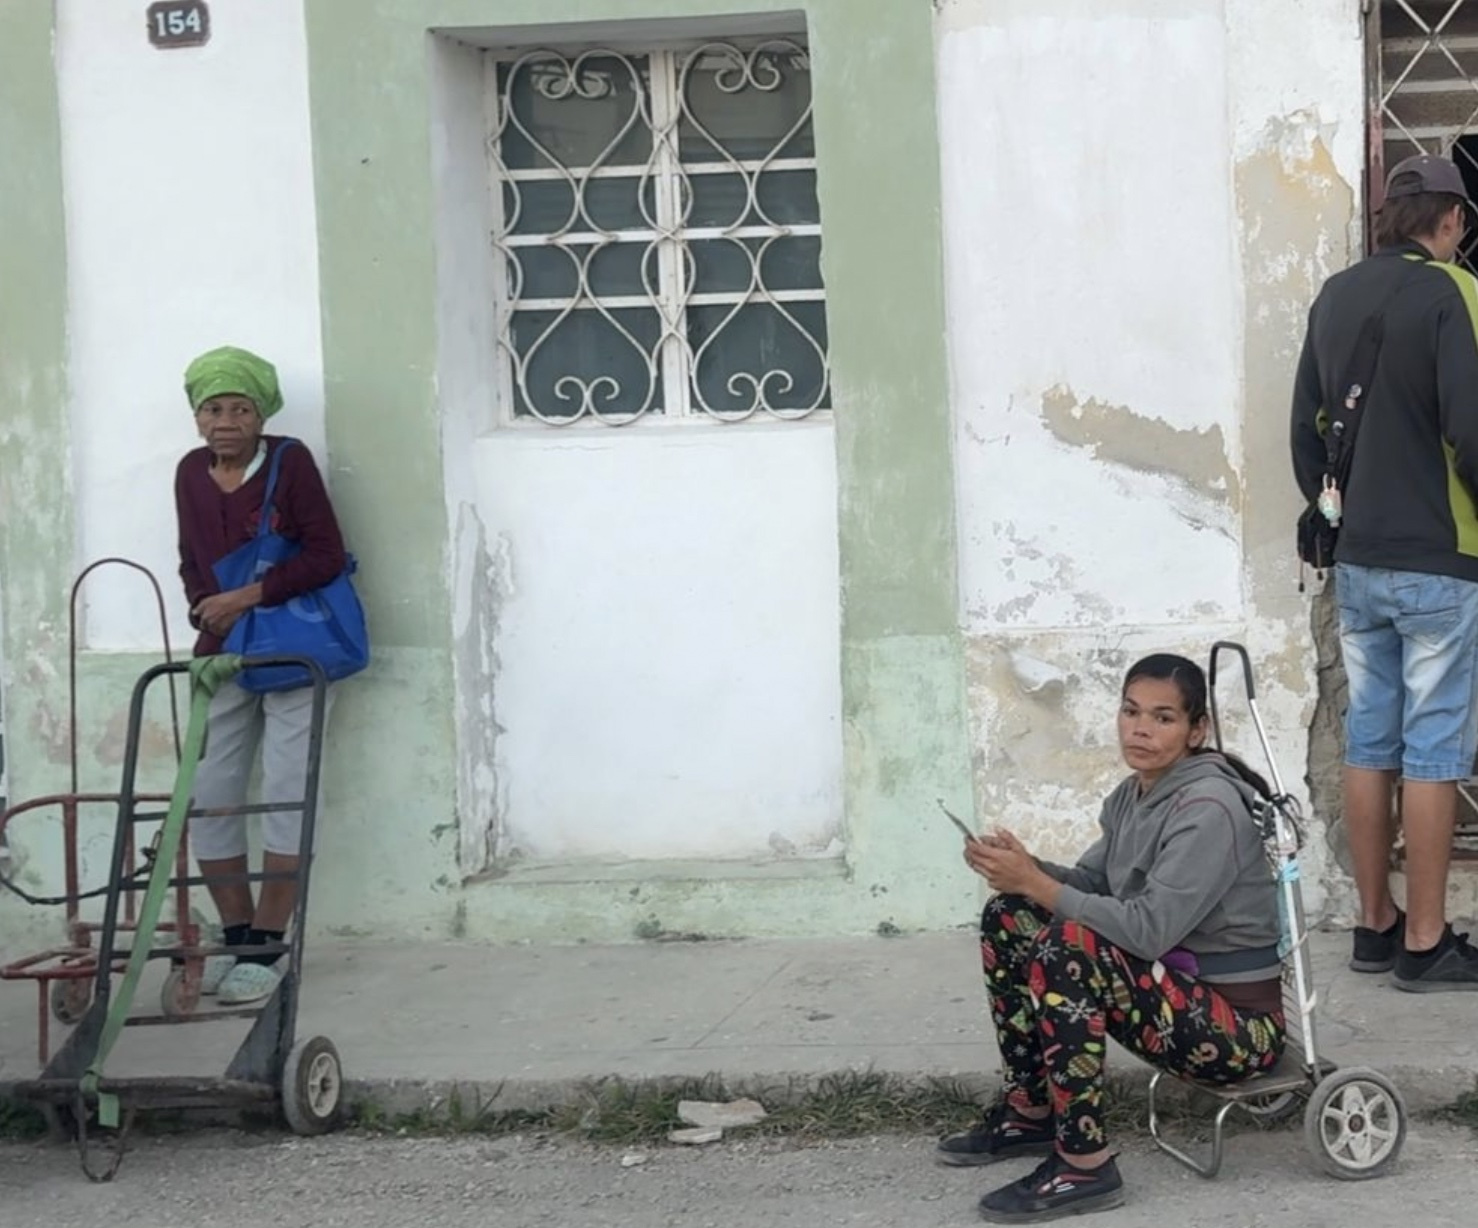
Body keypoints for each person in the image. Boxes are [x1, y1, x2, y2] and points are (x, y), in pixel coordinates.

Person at [940, 653, 1285, 1223]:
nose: (1141, 728)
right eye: (1130, 712)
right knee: (1010, 913)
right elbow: (1093, 885)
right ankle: (1032, 1112)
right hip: (1176, 993)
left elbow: (1146, 930)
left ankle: (1084, 1163)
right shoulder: (1134, 794)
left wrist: (1038, 884)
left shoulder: (1210, 808)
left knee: (1068, 948)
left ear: (1197, 730)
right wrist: (1025, 870)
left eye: (1163, 717)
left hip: (1236, 1032)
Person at [1291, 153, 1478, 992]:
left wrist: (1342, 513)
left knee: (1371, 741)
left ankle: (1375, 927)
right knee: (1434, 750)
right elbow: (1471, 430)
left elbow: (1308, 430)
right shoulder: (1453, 293)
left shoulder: (1334, 297)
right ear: (1452, 221)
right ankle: (1427, 940)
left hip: (1358, 561)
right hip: (1439, 560)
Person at [174, 345, 347, 1005]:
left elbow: (326, 554)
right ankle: (236, 931)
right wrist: (205, 605)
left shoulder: (290, 461)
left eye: (239, 408)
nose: (226, 421)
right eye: (213, 409)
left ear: (260, 414)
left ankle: (270, 943)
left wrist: (245, 597)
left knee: (283, 790)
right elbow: (191, 557)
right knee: (210, 791)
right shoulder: (190, 473)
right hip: (220, 647)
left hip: (291, 645)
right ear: (196, 418)